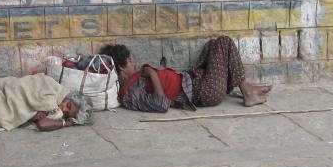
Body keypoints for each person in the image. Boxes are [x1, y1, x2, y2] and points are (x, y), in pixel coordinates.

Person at [99, 36, 271, 113]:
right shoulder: (129, 94)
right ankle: (247, 91)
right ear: (121, 68)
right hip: (203, 92)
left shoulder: (134, 81)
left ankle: (246, 87)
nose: (134, 63)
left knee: (213, 44)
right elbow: (160, 104)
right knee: (224, 42)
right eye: (130, 61)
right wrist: (152, 73)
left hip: (194, 80)